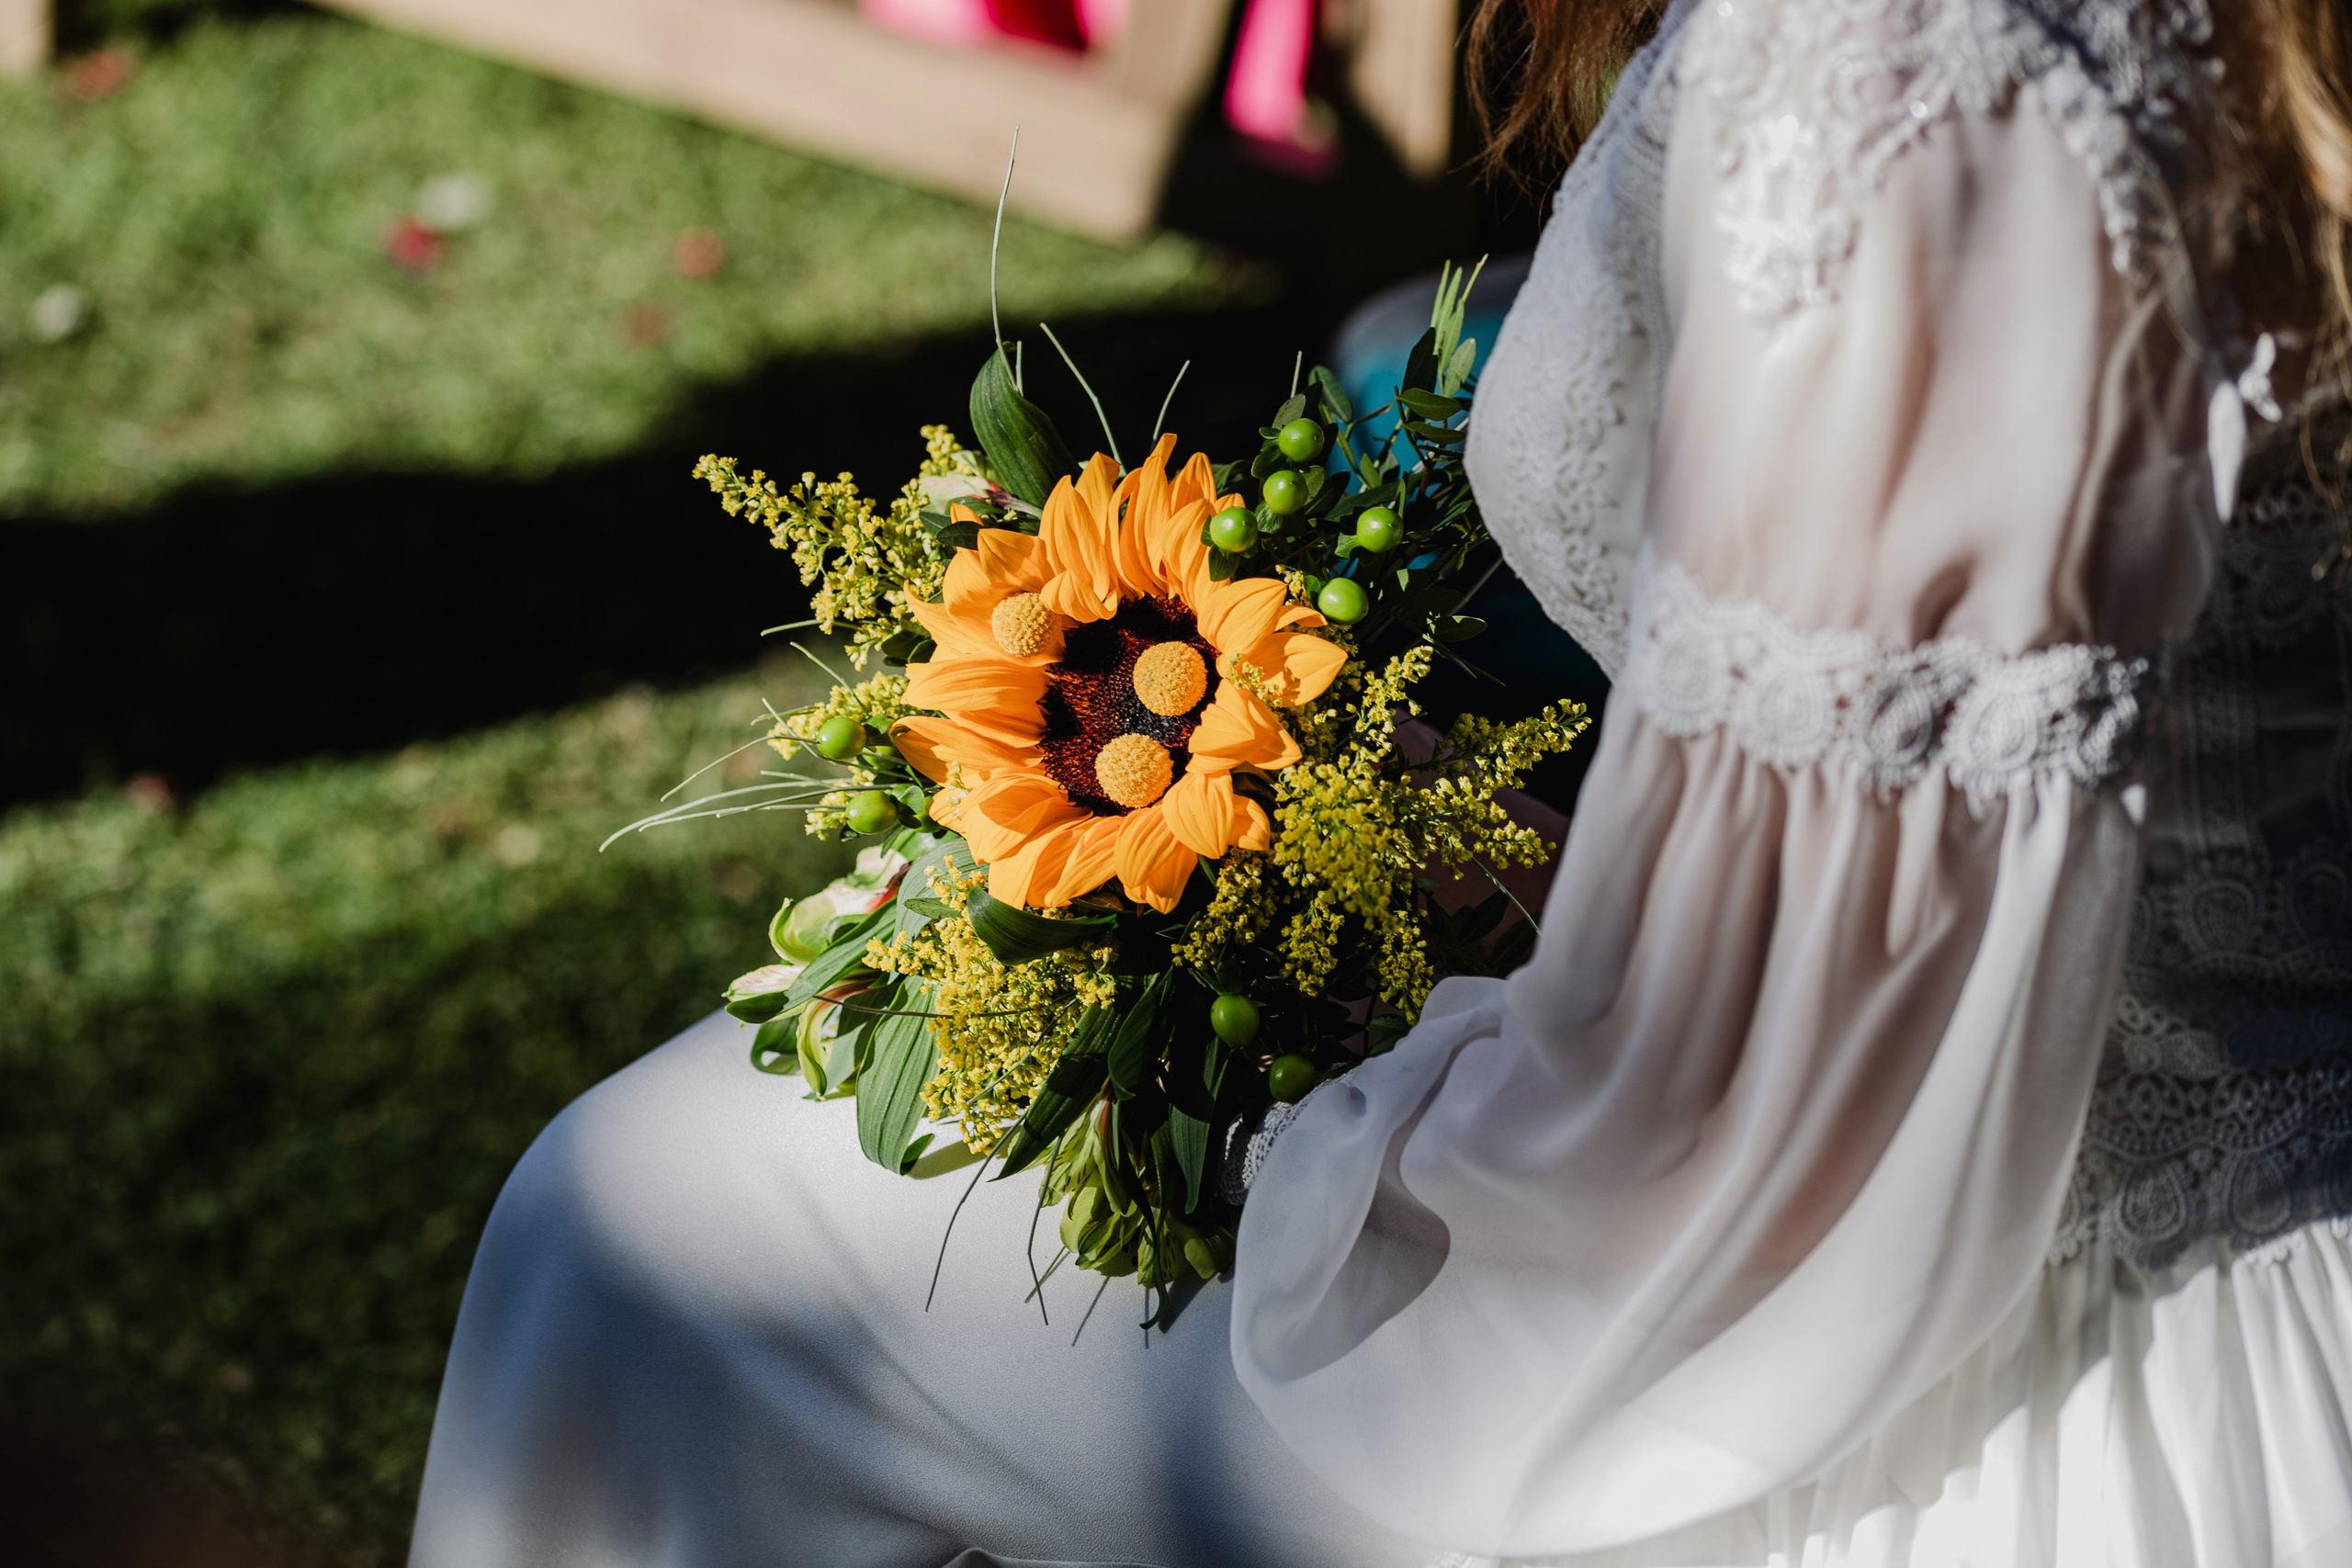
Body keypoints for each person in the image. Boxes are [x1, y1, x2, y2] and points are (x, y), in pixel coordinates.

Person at [408, 0, 2352, 1562]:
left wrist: (1362, 1056)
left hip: (2022, 1374)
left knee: (648, 1225)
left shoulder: (1923, 71)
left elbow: (1741, 1141)